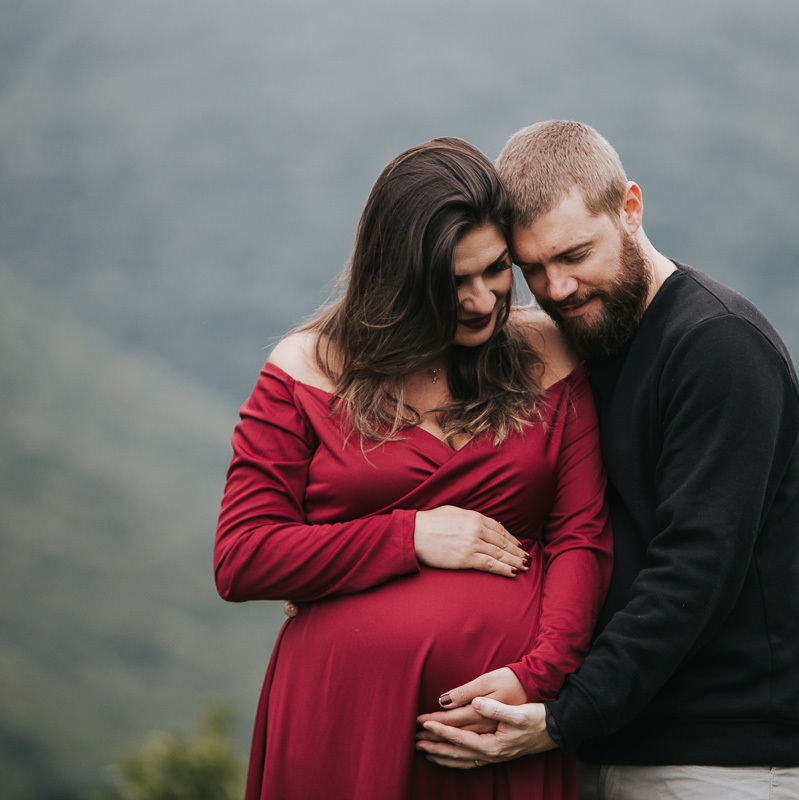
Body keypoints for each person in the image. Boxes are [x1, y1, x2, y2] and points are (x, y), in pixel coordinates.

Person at [416, 121, 799, 799]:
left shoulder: (719, 347)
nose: (558, 287)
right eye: (533, 269)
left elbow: (694, 569)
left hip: (716, 761)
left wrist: (563, 716)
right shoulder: (577, 344)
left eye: (575, 254)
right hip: (586, 745)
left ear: (631, 208)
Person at [215, 136, 612, 800]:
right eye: (453, 282)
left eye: (495, 270)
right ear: (396, 277)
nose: (484, 300)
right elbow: (243, 556)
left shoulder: (550, 354)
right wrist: (410, 536)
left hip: (494, 727)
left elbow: (582, 535)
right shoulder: (303, 369)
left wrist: (537, 677)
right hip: (341, 721)